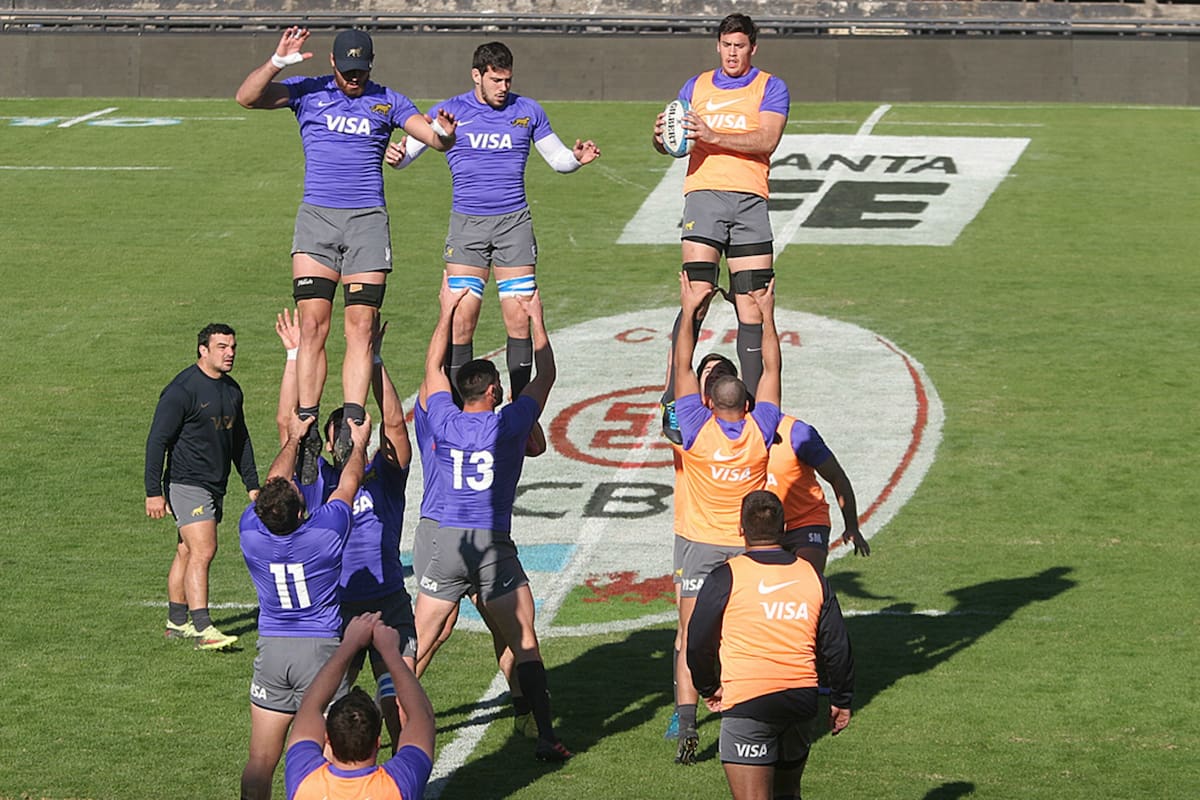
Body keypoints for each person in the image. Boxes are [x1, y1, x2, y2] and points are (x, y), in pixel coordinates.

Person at [235, 26, 457, 483]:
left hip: (366, 224)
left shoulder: (387, 100)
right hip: (317, 221)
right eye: (348, 71)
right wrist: (278, 60)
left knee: (361, 326)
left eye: (362, 71)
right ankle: (308, 423)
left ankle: (352, 422)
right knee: (313, 326)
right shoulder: (308, 90)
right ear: (333, 64)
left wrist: (444, 135)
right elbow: (246, 97)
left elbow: (433, 139)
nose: (354, 79)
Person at [412, 273, 572, 762]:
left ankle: (375, 723)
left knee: (415, 650)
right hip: (490, 546)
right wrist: (537, 322)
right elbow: (546, 375)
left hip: (444, 543)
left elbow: (432, 366)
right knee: (525, 641)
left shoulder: (442, 416)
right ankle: (546, 736)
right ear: (496, 389)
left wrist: (445, 312)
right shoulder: (507, 423)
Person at [389, 40, 599, 408]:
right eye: (496, 80)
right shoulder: (449, 110)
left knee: (519, 318)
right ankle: (459, 408)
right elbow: (405, 155)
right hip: (467, 227)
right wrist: (395, 155)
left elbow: (558, 159)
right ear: (477, 76)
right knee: (460, 319)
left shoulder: (528, 111)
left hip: (513, 225)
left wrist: (577, 159)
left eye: (507, 80)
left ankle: (521, 410)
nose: (504, 88)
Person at [274, 309, 417, 752]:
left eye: (351, 436)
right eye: (338, 434)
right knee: (329, 713)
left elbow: (396, 424)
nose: (344, 443)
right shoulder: (317, 483)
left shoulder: (385, 477)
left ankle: (402, 781)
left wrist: (372, 359)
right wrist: (296, 356)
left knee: (399, 706)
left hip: (388, 598)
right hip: (335, 607)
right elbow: (287, 429)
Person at [670, 271, 782, 765]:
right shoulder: (762, 431)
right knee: (740, 634)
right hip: (744, 550)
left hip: (698, 543)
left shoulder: (694, 430)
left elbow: (680, 364)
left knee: (690, 635)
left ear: (710, 403)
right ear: (749, 403)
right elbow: (773, 367)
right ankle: (746, 711)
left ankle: (687, 725)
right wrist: (767, 314)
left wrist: (690, 305)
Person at [653, 12, 789, 408]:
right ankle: (674, 402)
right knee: (696, 296)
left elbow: (766, 139)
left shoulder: (771, 87)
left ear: (752, 48)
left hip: (750, 200)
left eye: (740, 46)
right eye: (726, 45)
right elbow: (673, 144)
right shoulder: (695, 86)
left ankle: (754, 405)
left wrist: (712, 134)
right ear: (718, 46)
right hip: (704, 195)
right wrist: (662, 138)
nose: (732, 53)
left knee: (753, 302)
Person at [238, 409, 372, 800]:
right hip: (321, 652)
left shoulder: (252, 533)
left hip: (273, 650)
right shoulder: (325, 533)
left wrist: (294, 439)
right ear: (301, 512)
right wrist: (359, 445)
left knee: (260, 760)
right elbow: (348, 483)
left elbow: (274, 483)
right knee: (331, 755)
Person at [687, 491, 855, 800]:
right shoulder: (812, 576)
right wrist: (841, 699)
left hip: (749, 702)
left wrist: (708, 687)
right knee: (788, 794)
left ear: (741, 528)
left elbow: (697, 643)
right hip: (801, 703)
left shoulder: (726, 577)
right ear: (785, 527)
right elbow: (837, 647)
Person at [145, 322, 259, 651]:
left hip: (214, 484)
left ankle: (177, 621)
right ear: (203, 350)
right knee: (204, 550)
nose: (230, 353)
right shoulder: (182, 390)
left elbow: (240, 440)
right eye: (222, 347)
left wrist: (251, 484)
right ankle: (204, 627)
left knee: (187, 549)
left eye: (233, 347)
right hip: (186, 482)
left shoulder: (232, 390)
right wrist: (154, 491)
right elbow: (157, 441)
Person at [284, 612, 434, 800]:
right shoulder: (398, 784)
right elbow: (422, 715)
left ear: (327, 739)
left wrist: (349, 644)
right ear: (378, 742)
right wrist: (391, 652)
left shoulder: (304, 778)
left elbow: (310, 705)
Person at [767, 413, 871, 574]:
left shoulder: (796, 432)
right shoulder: (731, 430)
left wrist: (852, 527)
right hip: (763, 526)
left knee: (805, 583)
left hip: (806, 520)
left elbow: (837, 477)